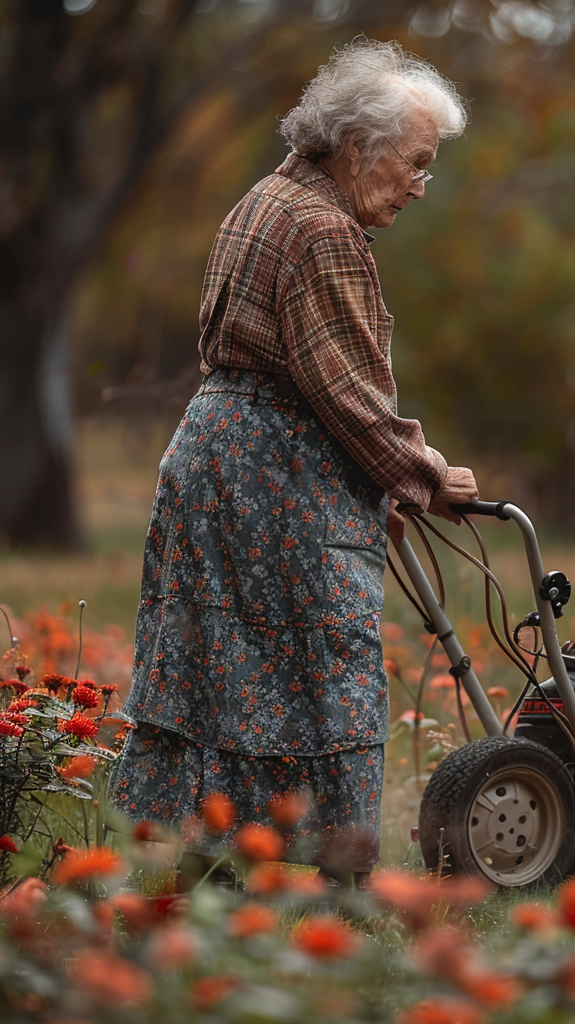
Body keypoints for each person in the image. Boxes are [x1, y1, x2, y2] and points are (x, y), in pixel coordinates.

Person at [111, 39, 478, 884]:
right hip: (275, 479)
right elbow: (348, 392)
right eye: (416, 164)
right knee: (318, 668)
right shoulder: (325, 233)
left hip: (216, 456)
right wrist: (425, 476)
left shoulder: (263, 200)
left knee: (221, 668)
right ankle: (317, 871)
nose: (422, 185)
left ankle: (217, 858)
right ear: (358, 148)